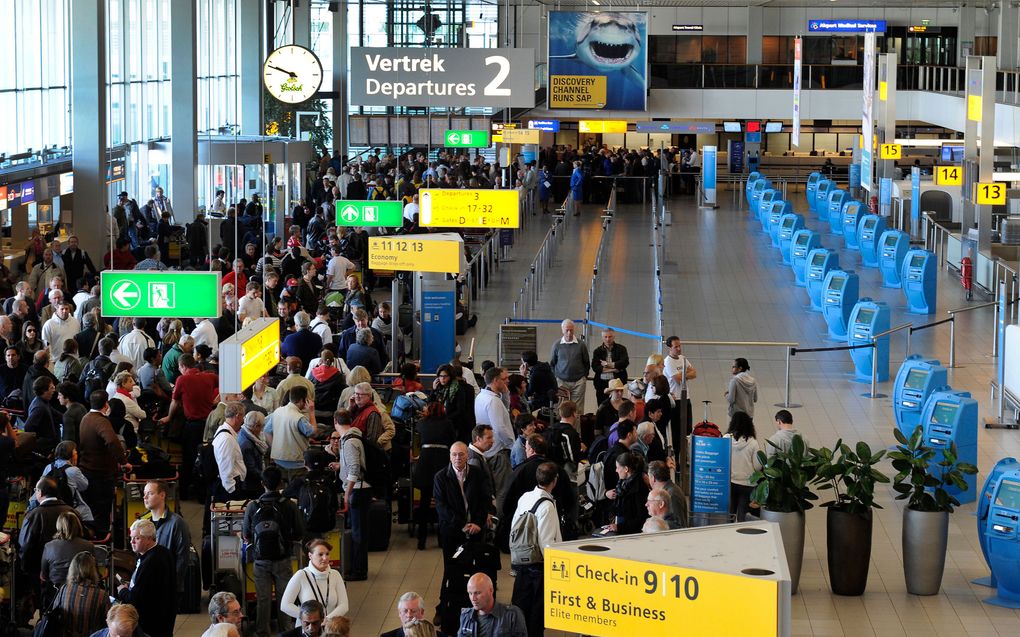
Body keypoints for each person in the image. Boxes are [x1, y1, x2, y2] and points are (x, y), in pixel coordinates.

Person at [433, 443, 492, 630]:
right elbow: (442, 507)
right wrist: (462, 526)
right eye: (454, 455)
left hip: (476, 529)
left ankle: (476, 607)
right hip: (452, 532)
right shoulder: (441, 477)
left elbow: (485, 500)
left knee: (476, 569)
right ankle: (444, 608)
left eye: (461, 454)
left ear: (467, 455)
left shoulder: (477, 474)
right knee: (450, 570)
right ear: (449, 456)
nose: (458, 458)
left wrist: (478, 522)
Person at [242, 465, 304, 637]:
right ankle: (286, 631)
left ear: (262, 483)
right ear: (280, 484)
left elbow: (246, 534)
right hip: (283, 559)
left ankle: (262, 631)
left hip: (260, 561)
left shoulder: (253, 506)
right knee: (285, 598)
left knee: (263, 599)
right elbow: (299, 532)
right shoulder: (289, 505)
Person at [510, 461, 561, 637]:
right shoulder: (547, 506)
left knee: (522, 608)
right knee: (537, 614)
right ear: (555, 480)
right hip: (538, 567)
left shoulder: (525, 497)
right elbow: (546, 541)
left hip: (521, 561)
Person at [159, 353, 218, 497]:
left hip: (192, 426)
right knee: (206, 459)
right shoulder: (210, 377)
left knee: (189, 459)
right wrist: (214, 402)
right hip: (208, 426)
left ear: (183, 366)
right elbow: (225, 387)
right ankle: (202, 493)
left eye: (179, 367)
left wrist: (169, 417)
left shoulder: (182, 380)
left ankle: (185, 491)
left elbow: (175, 402)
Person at [78, 391, 129, 536]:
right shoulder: (101, 421)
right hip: (101, 474)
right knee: (102, 512)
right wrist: (123, 461)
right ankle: (102, 542)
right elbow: (112, 441)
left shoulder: (85, 418)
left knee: (90, 511)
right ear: (106, 405)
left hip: (86, 471)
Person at [115, 519, 177, 637]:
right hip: (165, 619)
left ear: (149, 538)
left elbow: (135, 600)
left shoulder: (150, 562)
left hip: (151, 624)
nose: (132, 542)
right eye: (131, 538)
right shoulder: (164, 552)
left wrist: (123, 590)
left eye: (137, 538)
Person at [411, 402, 456, 550]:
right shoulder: (448, 424)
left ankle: (421, 540)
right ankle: (442, 539)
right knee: (442, 502)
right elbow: (452, 441)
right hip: (442, 463)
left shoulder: (422, 423)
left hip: (425, 464)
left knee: (424, 503)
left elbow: (416, 441)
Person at [143, 480, 192, 604]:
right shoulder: (142, 523)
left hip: (167, 589)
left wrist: (171, 585)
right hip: (147, 587)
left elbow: (182, 558)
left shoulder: (177, 523)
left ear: (162, 495)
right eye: (144, 493)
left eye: (150, 493)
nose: (145, 497)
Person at [280, 539, 350, 625]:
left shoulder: (335, 575)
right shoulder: (301, 575)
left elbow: (344, 605)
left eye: (327, 554)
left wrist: (326, 620)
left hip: (329, 627)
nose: (325, 558)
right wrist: (309, 619)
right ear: (310, 555)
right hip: (307, 628)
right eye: (320, 554)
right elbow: (285, 605)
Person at [335, 409, 370, 581]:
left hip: (358, 490)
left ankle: (359, 571)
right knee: (359, 532)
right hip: (358, 488)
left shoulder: (349, 442)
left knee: (358, 534)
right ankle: (358, 568)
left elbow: (355, 468)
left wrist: (347, 493)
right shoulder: (352, 437)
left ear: (335, 422)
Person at [473, 366, 514, 506]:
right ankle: (501, 525)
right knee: (503, 491)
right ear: (496, 380)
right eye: (505, 379)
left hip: (489, 450)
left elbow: (505, 409)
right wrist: (512, 445)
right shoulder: (493, 401)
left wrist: (506, 394)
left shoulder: (481, 396)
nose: (508, 381)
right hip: (499, 451)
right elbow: (500, 428)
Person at [53, 551, 110, 637]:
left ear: (72, 569)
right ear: (93, 570)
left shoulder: (64, 589)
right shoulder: (102, 595)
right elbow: (108, 623)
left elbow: (55, 614)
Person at [38, 440, 93, 524]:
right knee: (86, 512)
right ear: (71, 455)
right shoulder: (73, 470)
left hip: (49, 508)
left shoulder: (48, 467)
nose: (77, 455)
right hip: (70, 509)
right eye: (75, 452)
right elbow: (84, 486)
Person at [459, 573, 527, 637]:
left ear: (491, 590)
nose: (473, 598)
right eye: (470, 593)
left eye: (477, 593)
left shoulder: (512, 615)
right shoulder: (466, 616)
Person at [40, 511, 94, 592]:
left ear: (59, 526)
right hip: (81, 593)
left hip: (55, 593)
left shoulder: (49, 546)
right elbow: (92, 572)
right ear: (78, 525)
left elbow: (44, 576)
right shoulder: (89, 546)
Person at [727, 411, 761, 523]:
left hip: (729, 482)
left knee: (729, 515)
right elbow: (757, 467)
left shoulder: (725, 439)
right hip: (747, 484)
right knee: (743, 517)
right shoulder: (753, 443)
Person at [604, 451, 649, 535]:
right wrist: (606, 494)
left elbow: (642, 518)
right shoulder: (622, 484)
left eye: (617, 467)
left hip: (632, 534)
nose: (616, 470)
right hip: (622, 528)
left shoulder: (639, 489)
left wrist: (619, 527)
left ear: (626, 469)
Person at [548, 319, 589, 408]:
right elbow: (552, 363)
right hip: (562, 382)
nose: (569, 333)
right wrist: (556, 378)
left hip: (578, 382)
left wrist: (584, 377)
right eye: (567, 330)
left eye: (571, 330)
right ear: (562, 330)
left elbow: (586, 362)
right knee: (562, 409)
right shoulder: (557, 345)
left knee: (577, 410)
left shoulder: (581, 345)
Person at [211, 401, 247, 501]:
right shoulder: (227, 439)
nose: (243, 420)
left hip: (230, 484)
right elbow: (225, 468)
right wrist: (232, 490)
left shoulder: (225, 432)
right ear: (238, 416)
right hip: (229, 489)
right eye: (243, 417)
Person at [432, 363, 475, 442]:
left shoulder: (458, 389)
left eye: (445, 376)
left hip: (457, 426)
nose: (442, 379)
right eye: (440, 376)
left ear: (451, 377)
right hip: (444, 424)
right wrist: (434, 390)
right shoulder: (441, 389)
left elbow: (460, 410)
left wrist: (445, 418)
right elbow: (431, 405)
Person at [591, 328, 629, 404]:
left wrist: (608, 364)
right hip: (601, 383)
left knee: (618, 404)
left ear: (614, 337)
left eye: (610, 336)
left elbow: (625, 363)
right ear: (602, 337)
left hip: (617, 383)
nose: (608, 339)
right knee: (602, 405)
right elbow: (595, 367)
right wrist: (614, 369)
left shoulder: (621, 349)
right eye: (605, 337)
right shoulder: (597, 351)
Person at [238, 411, 269, 496]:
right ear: (256, 426)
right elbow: (251, 468)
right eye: (261, 426)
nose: (262, 430)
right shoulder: (247, 444)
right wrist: (266, 477)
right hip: (251, 486)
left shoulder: (244, 432)